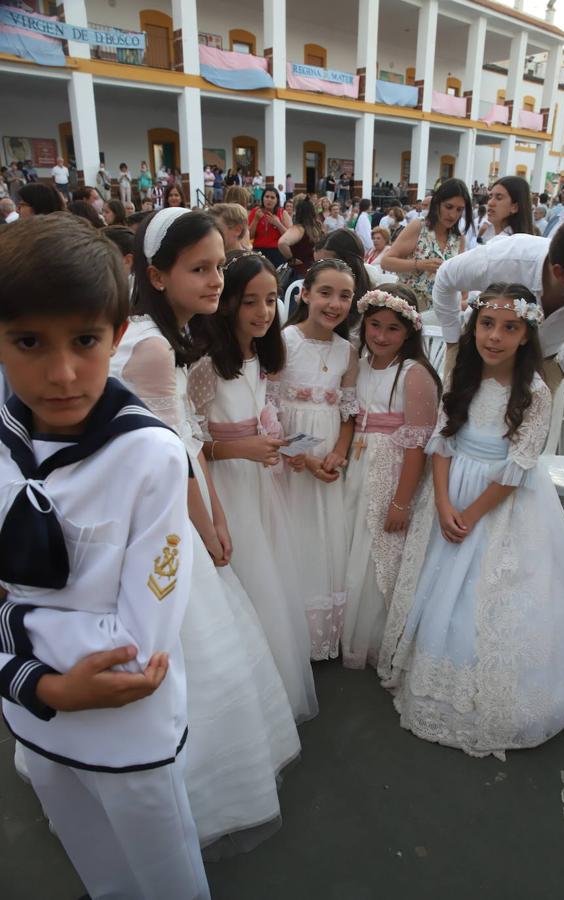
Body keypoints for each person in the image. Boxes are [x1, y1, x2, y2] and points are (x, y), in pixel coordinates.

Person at [0, 213, 211, 899]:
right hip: (32, 717)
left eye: (85, 340)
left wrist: (14, 639)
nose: (62, 373)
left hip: (126, 733)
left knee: (164, 876)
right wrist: (41, 686)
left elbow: (135, 649)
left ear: (117, 336)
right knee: (99, 871)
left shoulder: (149, 456)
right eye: (28, 341)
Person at [114, 208, 301, 852]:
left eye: (219, 265)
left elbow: (187, 442)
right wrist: (209, 522)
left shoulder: (161, 335)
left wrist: (214, 505)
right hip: (156, 514)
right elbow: (173, 455)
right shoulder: (154, 348)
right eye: (200, 268)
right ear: (157, 276)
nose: (216, 279)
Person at [378, 283, 564, 757]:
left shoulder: (534, 392)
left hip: (498, 502)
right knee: (439, 584)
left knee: (485, 591)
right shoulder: (461, 378)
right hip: (451, 490)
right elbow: (441, 442)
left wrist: (471, 515)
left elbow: (519, 465)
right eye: (487, 324)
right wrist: (442, 502)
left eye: (509, 327)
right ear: (473, 327)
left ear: (526, 335)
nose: (495, 336)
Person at [187, 252, 318, 721]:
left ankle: (273, 678)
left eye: (269, 300)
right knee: (244, 575)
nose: (263, 312)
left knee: (269, 576)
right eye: (250, 302)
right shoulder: (205, 366)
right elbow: (191, 446)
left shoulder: (259, 357)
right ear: (227, 305)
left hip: (260, 480)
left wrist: (277, 443)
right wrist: (240, 448)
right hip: (226, 485)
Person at [342, 286, 440, 670]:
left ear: (409, 331)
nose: (381, 336)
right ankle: (342, 627)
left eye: (392, 329)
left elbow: (418, 445)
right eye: (375, 325)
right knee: (353, 542)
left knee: (380, 546)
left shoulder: (414, 374)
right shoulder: (360, 364)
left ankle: (378, 634)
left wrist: (401, 501)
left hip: (392, 470)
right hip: (357, 462)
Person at [273, 259, 358, 660]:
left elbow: (349, 413)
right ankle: (288, 628)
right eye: (325, 293)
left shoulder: (347, 352)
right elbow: (269, 413)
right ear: (304, 294)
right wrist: (304, 459)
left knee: (324, 539)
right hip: (290, 459)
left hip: (328, 460)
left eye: (345, 296)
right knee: (293, 535)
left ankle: (320, 633)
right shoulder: (284, 342)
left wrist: (338, 452)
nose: (334, 304)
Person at [432, 209, 564, 386]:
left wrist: (563, 369)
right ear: (560, 273)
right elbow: (446, 276)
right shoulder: (507, 259)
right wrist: (452, 342)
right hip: (475, 355)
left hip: (540, 368)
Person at [381, 178, 472, 311]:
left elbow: (462, 280)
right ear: (437, 203)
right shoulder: (419, 226)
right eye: (448, 207)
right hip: (408, 309)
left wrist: (462, 302)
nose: (453, 215)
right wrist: (419, 264)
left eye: (459, 210)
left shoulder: (459, 239)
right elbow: (386, 262)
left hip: (440, 313)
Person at [317, 228, 374, 332]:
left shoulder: (370, 305)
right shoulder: (314, 293)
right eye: (315, 265)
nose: (317, 271)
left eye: (324, 265)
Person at [477, 176, 533, 243]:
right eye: (490, 197)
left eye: (499, 198)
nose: (490, 203)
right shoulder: (494, 238)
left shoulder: (510, 243)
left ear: (515, 207)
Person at [278, 195, 322, 277]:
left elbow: (282, 243)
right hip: (311, 270)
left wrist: (291, 259)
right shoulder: (315, 228)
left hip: (301, 272)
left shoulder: (299, 228)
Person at [248, 187, 292, 267]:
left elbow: (289, 237)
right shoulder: (256, 211)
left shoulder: (282, 213)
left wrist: (278, 224)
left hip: (277, 252)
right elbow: (249, 236)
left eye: (272, 197)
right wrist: (256, 220)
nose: (269, 200)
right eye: (267, 197)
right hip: (258, 251)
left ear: (277, 200)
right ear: (263, 198)